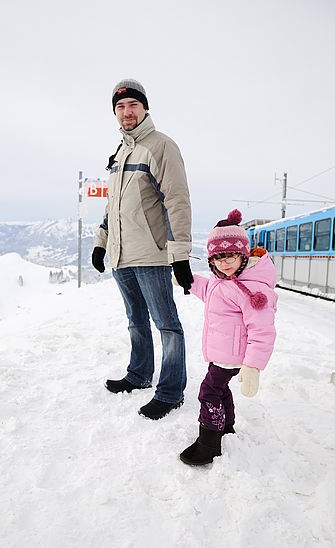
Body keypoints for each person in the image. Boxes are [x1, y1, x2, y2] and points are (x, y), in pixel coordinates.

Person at [92, 78, 193, 420]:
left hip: (151, 253)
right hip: (121, 255)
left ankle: (170, 391)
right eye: (120, 107)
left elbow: (177, 201)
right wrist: (100, 243)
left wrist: (179, 255)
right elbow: (113, 205)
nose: (126, 112)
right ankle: (139, 375)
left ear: (145, 107)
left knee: (166, 323)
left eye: (132, 104)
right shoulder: (121, 152)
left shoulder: (161, 146)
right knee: (135, 321)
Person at [179, 209, 278, 466]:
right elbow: (208, 290)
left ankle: (208, 444)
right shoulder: (222, 280)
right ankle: (226, 427)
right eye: (219, 257)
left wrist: (253, 366)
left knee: (208, 392)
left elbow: (262, 329)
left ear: (243, 255)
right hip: (222, 354)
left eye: (230, 256)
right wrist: (187, 279)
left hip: (235, 356)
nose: (224, 262)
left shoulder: (251, 288)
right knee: (220, 390)